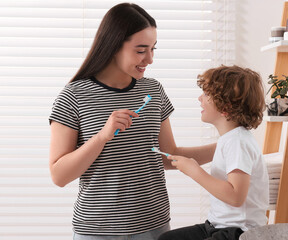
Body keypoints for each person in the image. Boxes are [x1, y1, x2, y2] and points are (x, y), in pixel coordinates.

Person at [48, 3, 215, 240]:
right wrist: (102, 136)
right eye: (140, 50)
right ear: (114, 45)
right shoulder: (74, 96)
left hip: (155, 226)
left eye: (153, 49)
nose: (149, 59)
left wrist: (226, 147)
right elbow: (59, 175)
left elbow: (169, 155)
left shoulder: (153, 90)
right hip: (98, 231)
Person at [158, 65, 269, 240]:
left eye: (207, 94)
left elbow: (235, 197)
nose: (199, 98)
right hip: (217, 225)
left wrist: (194, 171)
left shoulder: (237, 142)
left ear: (225, 107)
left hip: (238, 232)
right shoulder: (230, 139)